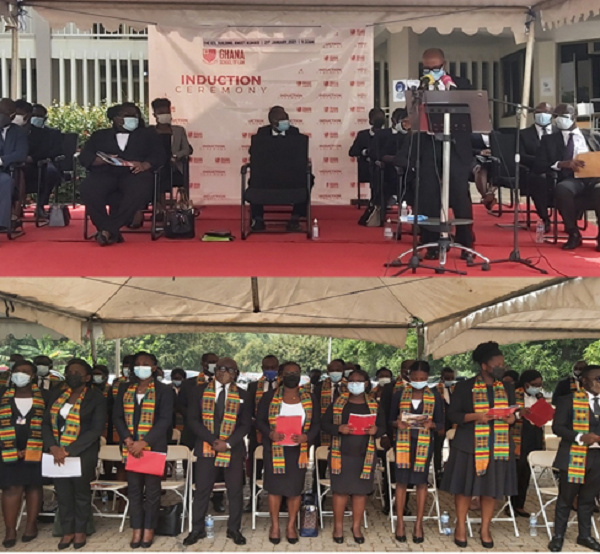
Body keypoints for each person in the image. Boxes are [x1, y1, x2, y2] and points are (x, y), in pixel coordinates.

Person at [397, 48, 474, 258]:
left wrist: (446, 86)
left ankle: (466, 242)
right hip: (429, 146)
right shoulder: (419, 87)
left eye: (436, 68)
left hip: (456, 147)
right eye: (427, 68)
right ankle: (431, 243)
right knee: (429, 194)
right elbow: (412, 115)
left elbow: (470, 111)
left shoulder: (461, 83)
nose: (432, 71)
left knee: (459, 195)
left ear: (444, 64)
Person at [441, 341, 517, 549]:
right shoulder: (465, 387)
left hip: (498, 445)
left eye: (504, 363)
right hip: (469, 445)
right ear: (484, 366)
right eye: (498, 364)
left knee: (490, 489)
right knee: (465, 489)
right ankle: (461, 527)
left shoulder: (507, 387)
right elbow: (453, 414)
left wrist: (511, 419)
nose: (502, 367)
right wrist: (475, 416)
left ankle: (485, 528)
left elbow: (512, 413)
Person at [184, 357, 250, 546]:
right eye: (221, 368)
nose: (224, 372)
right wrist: (212, 440)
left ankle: (234, 529)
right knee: (203, 489)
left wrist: (228, 444)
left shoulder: (243, 394)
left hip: (233, 449)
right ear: (215, 371)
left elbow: (245, 425)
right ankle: (197, 529)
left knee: (235, 490)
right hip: (207, 447)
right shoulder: (199, 391)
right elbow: (192, 420)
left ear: (236, 374)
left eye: (230, 370)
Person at [79, 103, 166, 246]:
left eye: (136, 115)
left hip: (134, 173)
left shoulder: (148, 134)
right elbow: (85, 156)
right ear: (116, 119)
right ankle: (109, 230)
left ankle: (107, 231)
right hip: (105, 173)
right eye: (130, 115)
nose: (135, 118)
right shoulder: (99, 135)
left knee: (139, 190)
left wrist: (145, 165)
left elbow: (159, 155)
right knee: (88, 189)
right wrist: (97, 160)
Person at [42, 358, 106, 550]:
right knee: (63, 493)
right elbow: (45, 423)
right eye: (70, 371)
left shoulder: (96, 398)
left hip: (82, 452)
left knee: (81, 493)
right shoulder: (57, 394)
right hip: (56, 452)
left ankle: (80, 531)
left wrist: (69, 450)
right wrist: (53, 447)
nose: (72, 375)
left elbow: (95, 430)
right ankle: (67, 530)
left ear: (87, 377)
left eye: (77, 373)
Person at [113, 351, 173, 549]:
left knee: (153, 491)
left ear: (154, 368)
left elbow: (165, 420)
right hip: (130, 448)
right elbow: (118, 417)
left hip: (153, 447)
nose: (141, 366)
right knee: (134, 490)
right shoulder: (124, 388)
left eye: (146, 363)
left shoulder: (164, 390)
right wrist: (128, 440)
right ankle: (136, 528)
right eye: (137, 363)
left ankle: (149, 528)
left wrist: (144, 442)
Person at [256, 361, 320, 544]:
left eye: (296, 372)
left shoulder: (309, 398)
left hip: (297, 451)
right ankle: (275, 526)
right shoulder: (269, 397)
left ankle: (291, 525)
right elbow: (259, 421)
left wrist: (307, 437)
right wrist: (270, 433)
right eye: (288, 373)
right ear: (281, 376)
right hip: (275, 450)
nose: (292, 375)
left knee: (294, 490)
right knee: (275, 490)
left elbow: (317, 423)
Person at [322, 368, 385, 544]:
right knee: (340, 492)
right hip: (340, 454)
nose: (354, 384)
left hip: (364, 455)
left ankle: (356, 527)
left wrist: (376, 430)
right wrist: (338, 428)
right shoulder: (338, 403)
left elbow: (383, 426)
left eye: (359, 381)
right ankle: (338, 527)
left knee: (360, 493)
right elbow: (324, 424)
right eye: (351, 381)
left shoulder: (373, 404)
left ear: (366, 384)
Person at [390, 361, 444, 543]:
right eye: (415, 378)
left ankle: (418, 524)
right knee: (402, 482)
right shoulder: (398, 395)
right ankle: (400, 523)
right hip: (403, 444)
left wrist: (433, 424)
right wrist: (396, 423)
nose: (418, 381)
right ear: (409, 377)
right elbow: (389, 418)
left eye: (422, 379)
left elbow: (442, 424)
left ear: (427, 378)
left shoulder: (435, 396)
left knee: (421, 482)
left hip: (424, 444)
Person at [534, 103, 600, 251]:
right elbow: (539, 164)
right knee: (563, 189)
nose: (559, 119)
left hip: (594, 178)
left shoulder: (593, 136)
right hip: (571, 178)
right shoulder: (549, 140)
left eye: (563, 116)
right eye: (556, 116)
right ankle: (573, 233)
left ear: (574, 117)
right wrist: (562, 164)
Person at [548, 364, 600, 553]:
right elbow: (557, 427)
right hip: (574, 456)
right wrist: (580, 437)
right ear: (584, 381)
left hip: (597, 457)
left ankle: (584, 535)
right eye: (597, 379)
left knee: (588, 500)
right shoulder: (567, 400)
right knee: (566, 499)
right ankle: (558, 536)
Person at [0, 360, 45, 548]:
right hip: (7, 450)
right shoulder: (2, 395)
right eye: (17, 371)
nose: (21, 375)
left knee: (33, 486)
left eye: (26, 372)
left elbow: (50, 424)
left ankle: (31, 525)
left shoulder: (45, 396)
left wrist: (34, 447)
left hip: (36, 449)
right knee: (11, 488)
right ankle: (10, 529)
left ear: (33, 376)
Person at [249, 105, 312, 232]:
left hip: (290, 176)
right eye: (281, 122)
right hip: (267, 176)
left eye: (286, 121)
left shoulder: (294, 132)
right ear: (273, 123)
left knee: (309, 179)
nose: (285, 124)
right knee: (253, 180)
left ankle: (295, 218)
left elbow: (300, 156)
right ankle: (258, 219)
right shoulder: (262, 133)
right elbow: (254, 154)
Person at [13, 100, 62, 219]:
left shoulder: (41, 133)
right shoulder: (9, 131)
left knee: (50, 172)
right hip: (12, 166)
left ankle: (39, 206)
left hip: (35, 166)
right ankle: (13, 209)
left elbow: (45, 151)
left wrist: (31, 158)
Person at [246, 354, 280, 512]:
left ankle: (282, 500)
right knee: (255, 467)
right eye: (267, 368)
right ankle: (254, 499)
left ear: (278, 368)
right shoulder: (253, 386)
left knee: (278, 467)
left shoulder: (284, 385)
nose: (270, 370)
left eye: (273, 367)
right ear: (262, 368)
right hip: (258, 433)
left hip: (280, 434)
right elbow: (249, 409)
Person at [510, 369, 545, 518]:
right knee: (516, 470)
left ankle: (520, 505)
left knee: (526, 471)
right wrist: (519, 413)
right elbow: (507, 415)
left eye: (539, 385)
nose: (537, 387)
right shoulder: (514, 394)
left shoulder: (539, 396)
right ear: (526, 384)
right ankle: (510, 504)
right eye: (534, 384)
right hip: (518, 434)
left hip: (534, 434)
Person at [520, 102, 556, 231]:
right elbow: (521, 156)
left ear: (552, 115)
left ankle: (571, 220)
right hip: (535, 171)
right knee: (538, 181)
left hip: (559, 170)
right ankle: (544, 217)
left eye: (545, 112)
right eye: (538, 112)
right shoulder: (523, 134)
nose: (541, 115)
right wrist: (542, 162)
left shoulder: (559, 132)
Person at [150, 98, 192, 195]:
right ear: (155, 115)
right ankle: (159, 203)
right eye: (161, 113)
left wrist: (176, 156)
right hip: (155, 166)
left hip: (174, 166)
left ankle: (172, 204)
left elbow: (186, 149)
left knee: (168, 174)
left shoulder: (179, 130)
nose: (165, 115)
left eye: (167, 112)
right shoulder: (150, 131)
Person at [0, 98, 28, 233]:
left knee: (5, 181)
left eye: (4, 113)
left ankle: (2, 224)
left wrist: (2, 160)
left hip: (6, 171)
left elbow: (21, 154)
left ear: (12, 115)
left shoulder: (19, 132)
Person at [349, 108, 386, 206]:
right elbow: (352, 152)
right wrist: (365, 152)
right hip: (367, 166)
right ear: (370, 120)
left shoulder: (387, 134)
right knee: (374, 169)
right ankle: (376, 200)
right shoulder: (363, 135)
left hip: (384, 167)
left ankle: (380, 199)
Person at [434, 366, 456, 480]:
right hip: (441, 422)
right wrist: (440, 425)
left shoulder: (454, 389)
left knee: (454, 447)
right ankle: (438, 472)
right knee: (438, 448)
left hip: (453, 423)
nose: (450, 380)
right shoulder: (436, 389)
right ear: (442, 377)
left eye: (452, 378)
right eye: (447, 377)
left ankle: (451, 471)